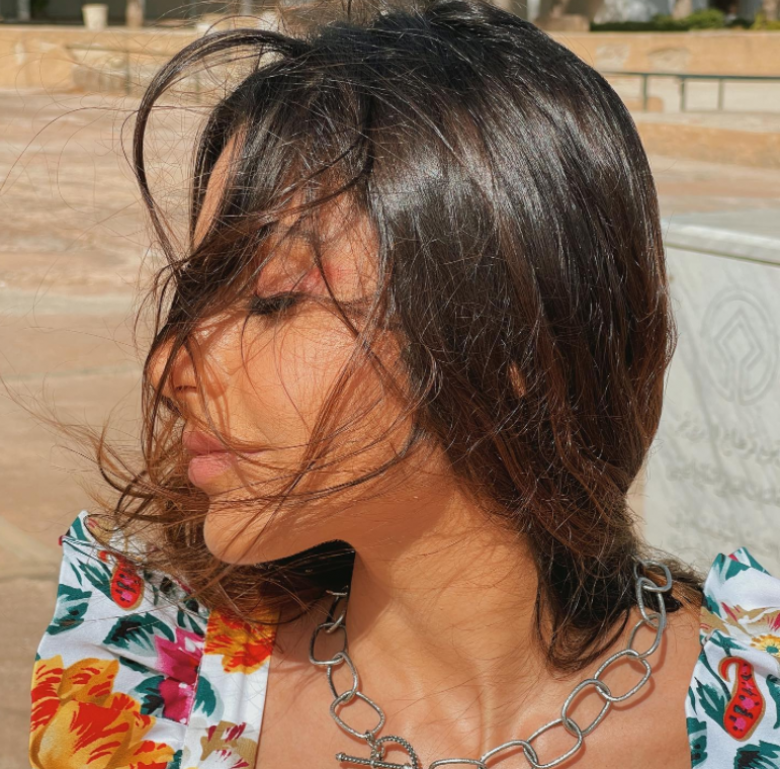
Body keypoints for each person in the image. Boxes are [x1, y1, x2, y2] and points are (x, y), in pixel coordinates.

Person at [28, 1, 780, 767]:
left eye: (273, 299)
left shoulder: (756, 718)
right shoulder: (150, 694)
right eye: (198, 294)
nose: (168, 366)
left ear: (517, 339)